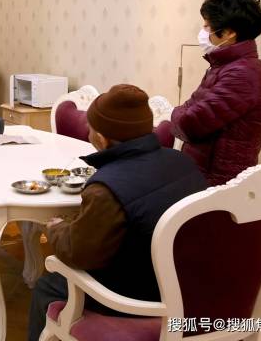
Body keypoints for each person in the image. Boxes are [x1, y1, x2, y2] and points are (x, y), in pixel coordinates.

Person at [27, 84, 208, 341]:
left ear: (101, 138)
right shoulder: (183, 162)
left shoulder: (106, 188)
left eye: (90, 128)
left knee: (48, 284)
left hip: (137, 297)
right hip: (189, 286)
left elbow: (78, 254)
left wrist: (56, 228)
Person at [165, 0, 261, 186]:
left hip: (218, 182)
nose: (203, 32)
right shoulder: (224, 67)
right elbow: (190, 107)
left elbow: (190, 124)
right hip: (203, 172)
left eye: (207, 26)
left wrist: (175, 114)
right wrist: (181, 113)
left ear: (229, 33)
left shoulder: (242, 74)